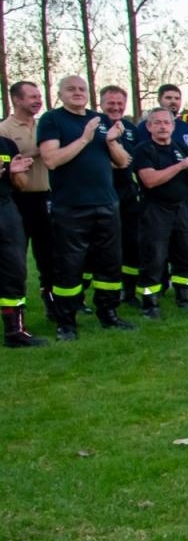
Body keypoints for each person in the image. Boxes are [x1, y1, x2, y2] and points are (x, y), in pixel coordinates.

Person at [37, 74, 135, 338]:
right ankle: (66, 322)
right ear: (60, 93)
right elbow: (52, 160)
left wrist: (111, 141)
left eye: (82, 88)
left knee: (109, 264)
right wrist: (84, 138)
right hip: (71, 206)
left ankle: (108, 313)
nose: (78, 92)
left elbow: (122, 162)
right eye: (71, 89)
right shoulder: (52, 120)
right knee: (69, 266)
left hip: (106, 203)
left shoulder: (101, 120)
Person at [131, 108, 188, 317]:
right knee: (154, 256)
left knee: (185, 254)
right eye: (158, 123)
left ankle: (183, 296)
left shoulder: (180, 147)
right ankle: (149, 303)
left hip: (182, 208)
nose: (163, 126)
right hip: (155, 209)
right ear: (149, 127)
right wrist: (181, 165)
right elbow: (150, 180)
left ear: (173, 126)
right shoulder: (144, 150)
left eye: (167, 123)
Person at [0, 81, 55, 314]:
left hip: (47, 197)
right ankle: (14, 307)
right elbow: (8, 159)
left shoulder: (45, 125)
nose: (38, 100)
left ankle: (52, 303)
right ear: (17, 100)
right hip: (18, 200)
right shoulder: (4, 129)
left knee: (50, 256)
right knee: (15, 259)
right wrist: (39, 152)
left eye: (39, 96)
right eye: (32, 96)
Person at [1, 127, 48, 346]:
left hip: (6, 208)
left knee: (14, 269)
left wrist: (15, 172)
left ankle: (14, 331)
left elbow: (20, 185)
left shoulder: (6, 145)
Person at [99, 86, 143, 304]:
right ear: (101, 103)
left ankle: (129, 291)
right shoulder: (94, 126)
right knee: (104, 244)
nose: (115, 107)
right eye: (110, 103)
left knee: (131, 241)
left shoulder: (129, 128)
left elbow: (131, 160)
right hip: (101, 192)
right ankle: (100, 294)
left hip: (127, 190)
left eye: (119, 103)